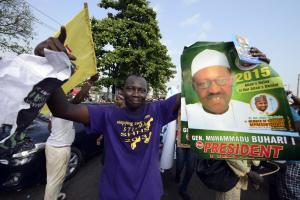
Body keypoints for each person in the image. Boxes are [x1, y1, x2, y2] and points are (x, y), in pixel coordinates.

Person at [35, 27, 181, 200]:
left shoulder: (157, 111)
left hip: (149, 193)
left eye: (141, 90)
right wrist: (44, 63)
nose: (136, 93)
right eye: (130, 89)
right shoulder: (106, 114)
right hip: (114, 194)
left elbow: (189, 93)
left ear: (147, 94)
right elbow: (63, 110)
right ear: (122, 91)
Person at [186, 48, 268, 200]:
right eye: (203, 83)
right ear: (194, 87)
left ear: (231, 80)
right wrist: (248, 172)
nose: (214, 89)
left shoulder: (243, 107)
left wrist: (264, 68)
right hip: (228, 177)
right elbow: (227, 150)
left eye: (221, 80)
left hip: (240, 174)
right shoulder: (199, 116)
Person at [44, 74, 98, 200]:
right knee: (54, 180)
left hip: (53, 146)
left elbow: (50, 128)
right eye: (65, 95)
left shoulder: (54, 111)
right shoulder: (62, 110)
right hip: (59, 148)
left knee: (56, 177)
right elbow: (79, 97)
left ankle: (56, 195)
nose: (67, 97)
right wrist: (90, 81)